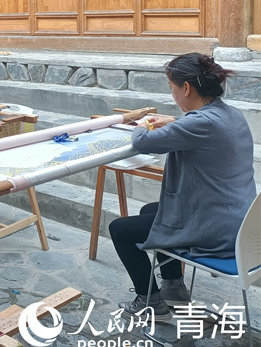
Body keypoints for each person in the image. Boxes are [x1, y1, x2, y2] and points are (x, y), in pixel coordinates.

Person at [109, 53, 256, 320]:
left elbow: (143, 141)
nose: (173, 94)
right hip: (240, 218)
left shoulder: (199, 122)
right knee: (150, 210)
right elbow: (199, 131)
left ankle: (149, 301)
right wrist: (174, 122)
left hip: (216, 228)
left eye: (172, 88)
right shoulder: (230, 114)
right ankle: (173, 287)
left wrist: (142, 125)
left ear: (186, 87)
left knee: (119, 230)